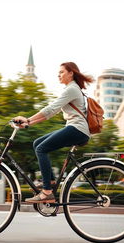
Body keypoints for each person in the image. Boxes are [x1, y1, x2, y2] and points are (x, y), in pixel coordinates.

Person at [13, 62, 93, 203]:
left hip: (77, 129)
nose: (58, 75)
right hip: (75, 128)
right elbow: (49, 114)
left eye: (61, 72)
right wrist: (28, 122)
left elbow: (51, 109)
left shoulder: (72, 89)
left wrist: (27, 119)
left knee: (41, 149)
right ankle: (50, 182)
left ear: (71, 73)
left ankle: (47, 192)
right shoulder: (71, 89)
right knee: (37, 143)